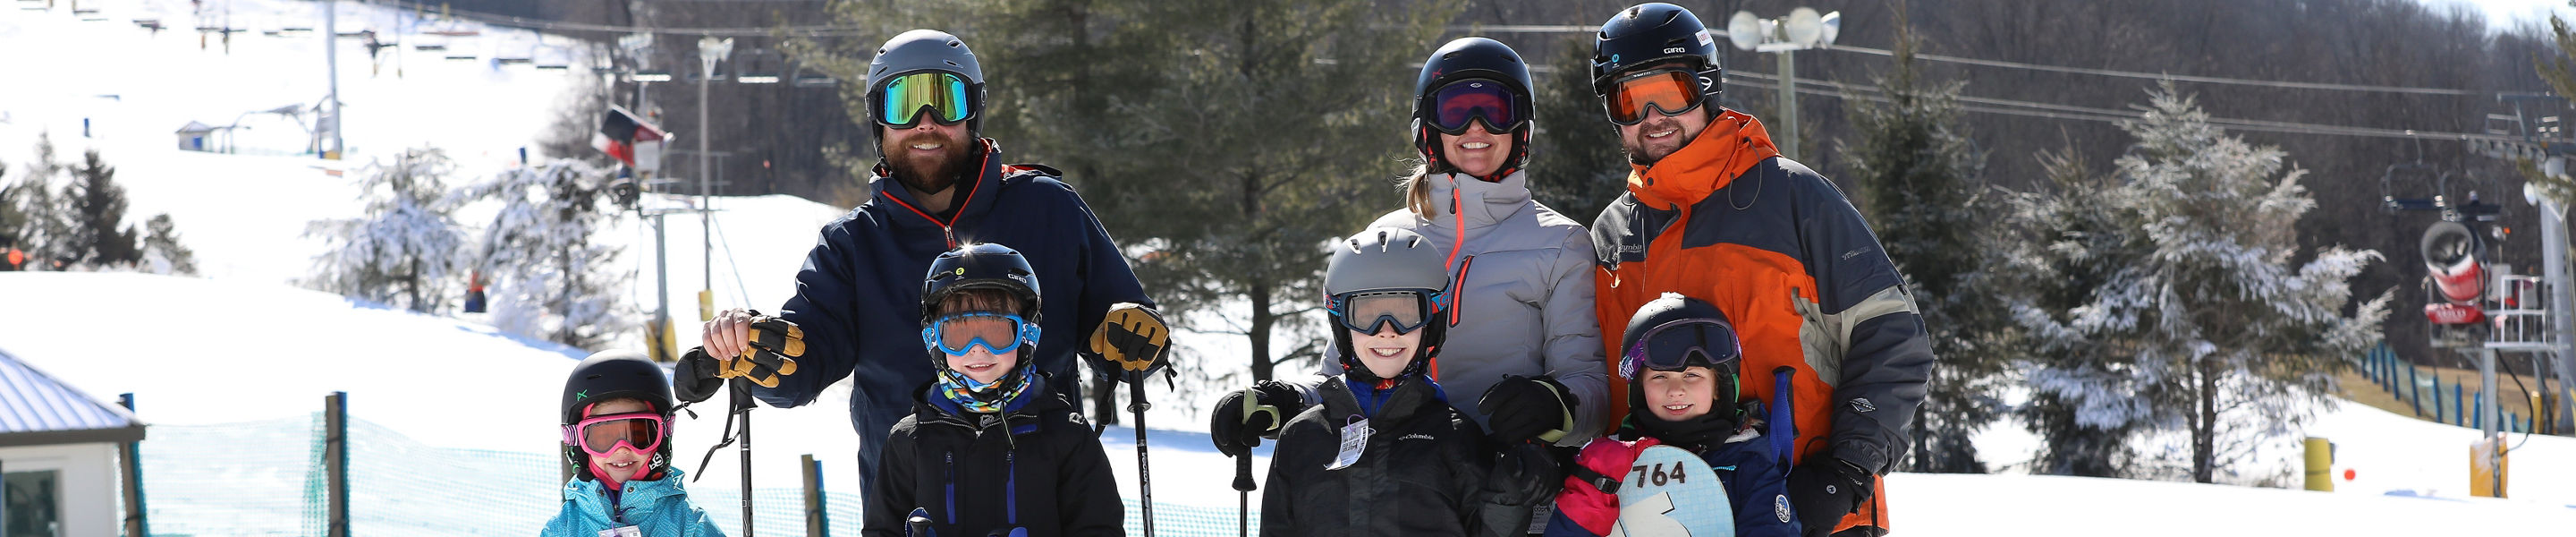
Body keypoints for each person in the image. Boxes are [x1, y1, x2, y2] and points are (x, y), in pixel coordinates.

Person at [678, 29, 1167, 499]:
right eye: (902, 104)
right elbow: (806, 358)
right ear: (879, 122)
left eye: (946, 100)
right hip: (910, 503)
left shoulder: (1049, 208)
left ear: (972, 114)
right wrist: (768, 356)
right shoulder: (854, 245)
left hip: (1046, 496)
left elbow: (1124, 331)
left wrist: (1133, 336)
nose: (925, 122)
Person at [1583, 4, 1935, 536]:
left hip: (1814, 508)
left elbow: (1892, 338)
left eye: (1670, 93)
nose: (1652, 115)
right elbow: (1602, 378)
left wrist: (1843, 472)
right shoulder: (1613, 234)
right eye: (1630, 99)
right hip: (1662, 518)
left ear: (1705, 86)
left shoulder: (1793, 199)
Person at [1211, 36, 1607, 466]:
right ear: (1427, 129)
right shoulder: (1386, 237)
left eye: (1496, 111)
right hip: (1394, 487)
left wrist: (1555, 406)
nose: (1476, 128)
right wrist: (1285, 401)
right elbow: (1342, 375)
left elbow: (1590, 387)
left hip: (1503, 490)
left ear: (1522, 128)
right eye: (1455, 112)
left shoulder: (1560, 244)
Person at [1254, 228, 1556, 537]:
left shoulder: (1454, 436)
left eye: (1405, 312)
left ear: (1431, 320)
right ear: (1341, 321)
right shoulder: (1304, 436)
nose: (1387, 330)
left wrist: (1511, 500)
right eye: (1367, 313)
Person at [863, 243, 1123, 537]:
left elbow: (1099, 528)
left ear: (1027, 335)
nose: (977, 350)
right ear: (934, 341)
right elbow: (882, 530)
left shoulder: (1066, 435)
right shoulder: (909, 440)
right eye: (958, 334)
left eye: (996, 332)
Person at [1546, 294, 1797, 537]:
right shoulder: (1607, 465)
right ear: (1640, 390)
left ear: (1720, 388)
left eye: (1692, 375)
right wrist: (1591, 487)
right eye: (1659, 376)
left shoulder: (1747, 466)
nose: (1676, 390)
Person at [543, 350, 724, 537]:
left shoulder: (690, 525)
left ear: (663, 434)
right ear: (577, 441)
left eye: (638, 434)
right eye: (604, 437)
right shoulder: (563, 529)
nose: (621, 448)